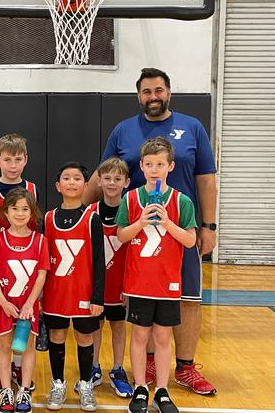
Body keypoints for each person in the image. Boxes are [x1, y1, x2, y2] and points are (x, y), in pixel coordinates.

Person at [83, 67, 217, 395]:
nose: (153, 96)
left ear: (168, 92)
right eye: (146, 91)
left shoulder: (192, 127)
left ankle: (185, 367)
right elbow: (103, 175)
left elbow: (206, 179)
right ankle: (151, 365)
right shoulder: (123, 130)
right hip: (139, 232)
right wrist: (77, 212)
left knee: (188, 300)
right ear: (139, 96)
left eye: (158, 90)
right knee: (143, 300)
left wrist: (209, 226)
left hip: (179, 230)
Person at [116, 137, 197, 413]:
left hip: (167, 283)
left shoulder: (182, 201)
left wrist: (167, 222)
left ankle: (162, 391)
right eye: (149, 164)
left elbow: (190, 240)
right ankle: (140, 387)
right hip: (138, 283)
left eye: (160, 164)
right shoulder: (130, 198)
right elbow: (121, 236)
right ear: (141, 166)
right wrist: (140, 221)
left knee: (163, 337)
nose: (154, 170)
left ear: (170, 166)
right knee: (139, 336)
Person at [0, 133, 39, 392]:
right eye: (7, 159)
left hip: (26, 269)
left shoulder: (32, 189)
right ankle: (0, 365)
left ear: (25, 160)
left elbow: (35, 228)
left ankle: (18, 365)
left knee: (24, 319)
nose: (13, 165)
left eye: (17, 159)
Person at [43, 162, 105, 412]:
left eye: (77, 178)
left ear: (86, 185)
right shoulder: (48, 218)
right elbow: (42, 261)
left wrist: (97, 297)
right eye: (66, 178)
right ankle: (58, 383)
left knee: (84, 337)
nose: (71, 182)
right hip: (55, 292)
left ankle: (86, 384)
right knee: (56, 336)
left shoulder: (92, 219)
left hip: (84, 293)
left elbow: (99, 261)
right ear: (58, 186)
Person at [0, 188, 49, 413]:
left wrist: (30, 303)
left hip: (27, 305)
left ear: (32, 212)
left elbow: (41, 274)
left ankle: (24, 389)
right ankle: (6, 390)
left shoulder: (40, 240)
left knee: (27, 346)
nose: (20, 213)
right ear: (6, 212)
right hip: (5, 303)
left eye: (25, 209)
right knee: (5, 346)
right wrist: (2, 301)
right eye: (15, 208)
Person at [87, 157, 133, 398]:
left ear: (127, 182)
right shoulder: (90, 212)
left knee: (118, 325)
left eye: (117, 178)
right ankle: (93, 367)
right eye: (107, 178)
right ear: (99, 181)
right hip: (97, 284)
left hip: (121, 284)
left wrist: (130, 286)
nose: (112, 183)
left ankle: (117, 369)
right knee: (96, 325)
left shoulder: (132, 212)